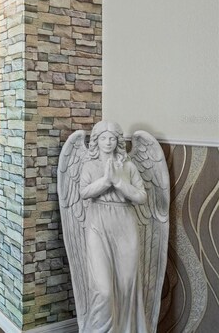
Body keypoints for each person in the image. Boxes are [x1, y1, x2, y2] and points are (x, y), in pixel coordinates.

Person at [79, 120, 149, 332]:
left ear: (118, 141)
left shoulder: (128, 167)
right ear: (96, 141)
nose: (108, 142)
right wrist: (106, 181)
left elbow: (142, 197)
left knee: (126, 286)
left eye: (112, 138)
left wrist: (119, 182)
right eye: (103, 138)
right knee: (103, 290)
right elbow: (83, 193)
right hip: (98, 224)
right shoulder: (90, 166)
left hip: (125, 225)